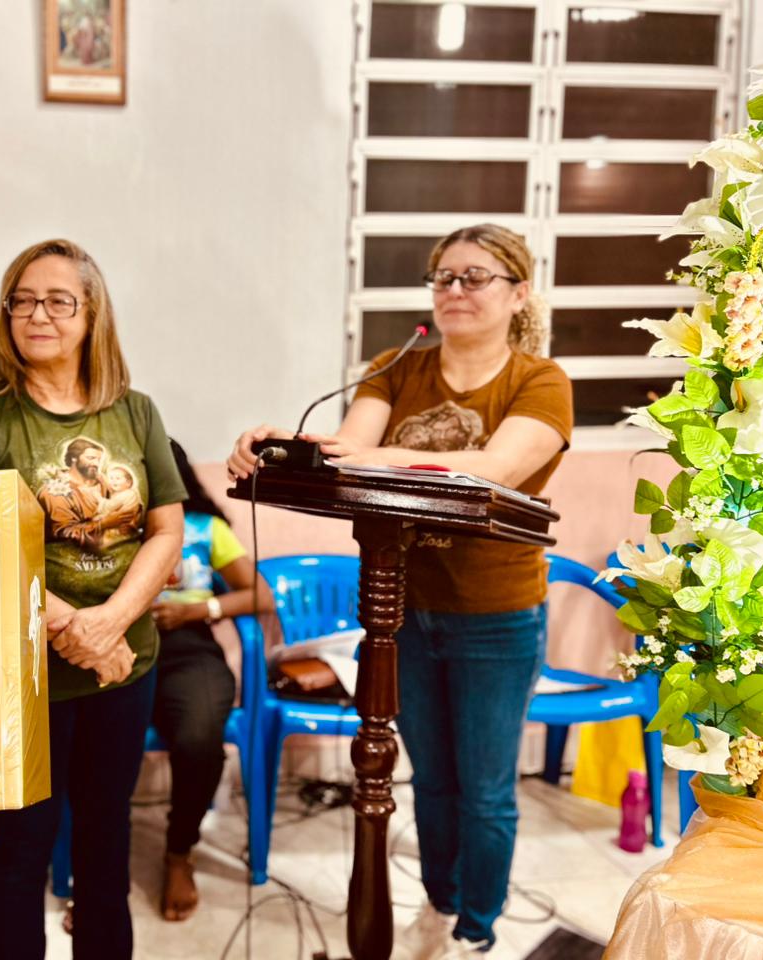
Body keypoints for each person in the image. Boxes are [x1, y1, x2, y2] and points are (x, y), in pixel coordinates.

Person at [227, 224, 572, 957]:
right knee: (431, 782)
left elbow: (497, 468)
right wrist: (278, 449)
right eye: (443, 277)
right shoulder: (395, 365)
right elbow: (349, 456)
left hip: (495, 615)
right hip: (401, 610)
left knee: (484, 791)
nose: (454, 290)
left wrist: (373, 455)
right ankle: (440, 911)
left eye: (475, 277)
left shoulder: (541, 381)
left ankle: (478, 931)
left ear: (518, 294)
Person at [0, 238, 185, 960]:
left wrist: (112, 623)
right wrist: (77, 629)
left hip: (126, 666)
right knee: (21, 844)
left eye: (57, 300)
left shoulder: (136, 412)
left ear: (91, 314)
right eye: (21, 300)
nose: (36, 314)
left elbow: (167, 530)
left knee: (106, 839)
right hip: (26, 671)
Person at [149, 439, 274, 921]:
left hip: (188, 646)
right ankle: (95, 866)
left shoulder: (204, 527)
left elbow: (260, 595)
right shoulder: (108, 529)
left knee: (201, 737)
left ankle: (179, 852)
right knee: (89, 736)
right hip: (119, 646)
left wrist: (198, 611)